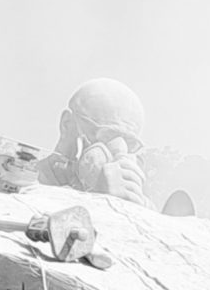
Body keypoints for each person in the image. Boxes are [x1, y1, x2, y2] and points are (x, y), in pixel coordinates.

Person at [38, 77, 150, 206]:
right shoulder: (24, 180)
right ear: (66, 124)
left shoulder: (143, 205)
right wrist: (99, 201)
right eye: (107, 135)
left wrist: (132, 207)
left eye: (130, 143)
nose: (120, 151)